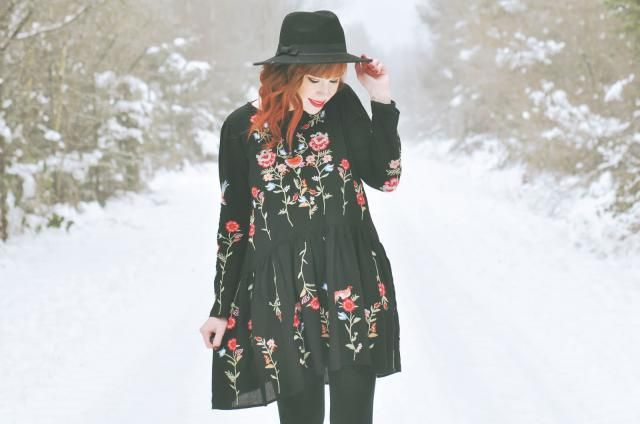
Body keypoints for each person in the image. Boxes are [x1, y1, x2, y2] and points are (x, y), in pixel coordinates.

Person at [199, 10, 402, 424]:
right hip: (283, 295)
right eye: (315, 80)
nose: (325, 91)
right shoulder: (241, 129)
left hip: (351, 284)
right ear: (288, 73)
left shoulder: (342, 108)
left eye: (334, 80)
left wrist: (380, 98)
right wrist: (221, 307)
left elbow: (387, 177)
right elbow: (234, 225)